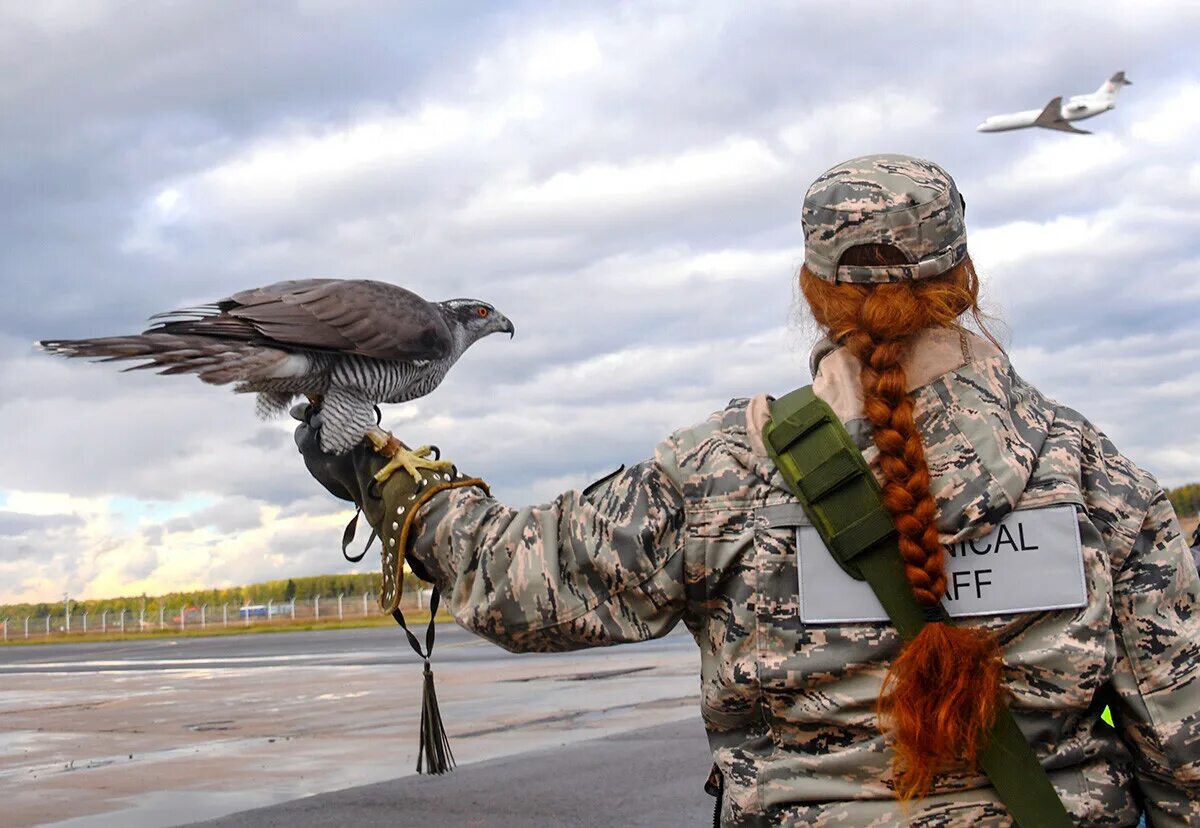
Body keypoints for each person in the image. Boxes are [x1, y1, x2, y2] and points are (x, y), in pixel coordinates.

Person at [294, 154, 1200, 826]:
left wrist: (377, 476)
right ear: (963, 284)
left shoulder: (723, 473)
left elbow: (520, 584)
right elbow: (1184, 754)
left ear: (813, 291)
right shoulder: (1099, 478)